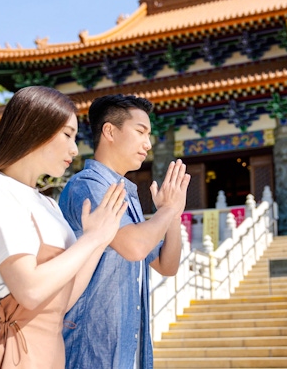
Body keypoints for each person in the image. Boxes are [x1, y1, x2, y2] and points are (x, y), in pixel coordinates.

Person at [0, 86, 128, 368]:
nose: (74, 148)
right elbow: (30, 290)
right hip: (6, 352)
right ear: (35, 129)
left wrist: (98, 241)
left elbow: (62, 300)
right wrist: (89, 239)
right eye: (68, 134)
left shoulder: (49, 206)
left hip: (48, 353)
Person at [59, 94, 190, 369]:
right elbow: (135, 248)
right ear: (109, 131)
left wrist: (173, 213)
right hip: (90, 352)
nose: (148, 143)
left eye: (150, 134)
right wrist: (167, 211)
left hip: (128, 352)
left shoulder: (127, 195)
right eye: (140, 131)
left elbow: (167, 265)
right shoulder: (88, 186)